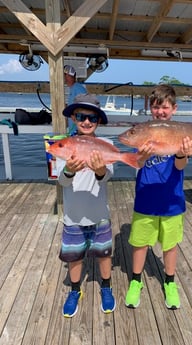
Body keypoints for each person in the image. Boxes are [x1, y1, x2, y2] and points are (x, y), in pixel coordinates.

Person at [125, 84, 192, 309]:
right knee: (140, 243)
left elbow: (180, 164)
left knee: (170, 245)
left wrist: (183, 152)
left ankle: (169, 281)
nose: (160, 112)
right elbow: (137, 163)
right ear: (150, 109)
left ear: (173, 108)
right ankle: (136, 281)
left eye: (164, 107)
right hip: (145, 200)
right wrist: (143, 156)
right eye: (156, 107)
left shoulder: (180, 131)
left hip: (172, 202)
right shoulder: (145, 132)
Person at [56, 93, 116, 318]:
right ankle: (74, 290)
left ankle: (107, 286)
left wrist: (101, 170)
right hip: (73, 215)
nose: (87, 122)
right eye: (81, 116)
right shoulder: (66, 144)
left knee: (104, 254)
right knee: (74, 257)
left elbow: (107, 176)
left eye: (92, 118)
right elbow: (61, 181)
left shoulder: (106, 144)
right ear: (73, 118)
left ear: (98, 121)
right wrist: (69, 169)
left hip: (99, 213)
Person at [64, 64, 87, 134]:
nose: (63, 78)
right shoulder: (73, 88)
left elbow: (85, 107)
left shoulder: (78, 88)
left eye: (65, 75)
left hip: (79, 131)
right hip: (73, 130)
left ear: (68, 76)